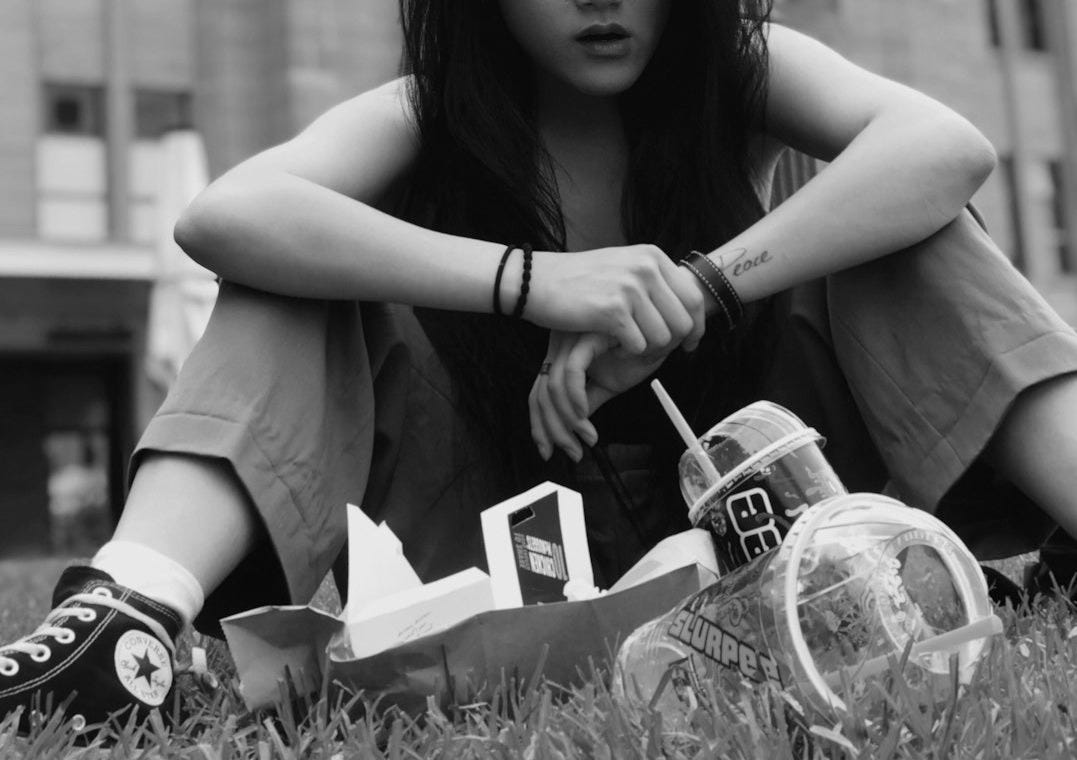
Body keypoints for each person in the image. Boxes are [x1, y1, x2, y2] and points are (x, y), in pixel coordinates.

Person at [4, 0, 1077, 732]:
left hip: (776, 520)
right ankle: (123, 617)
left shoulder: (745, 70)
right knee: (293, 266)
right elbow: (227, 213)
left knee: (905, 219)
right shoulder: (432, 111)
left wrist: (698, 287)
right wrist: (534, 281)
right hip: (499, 555)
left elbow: (946, 146)